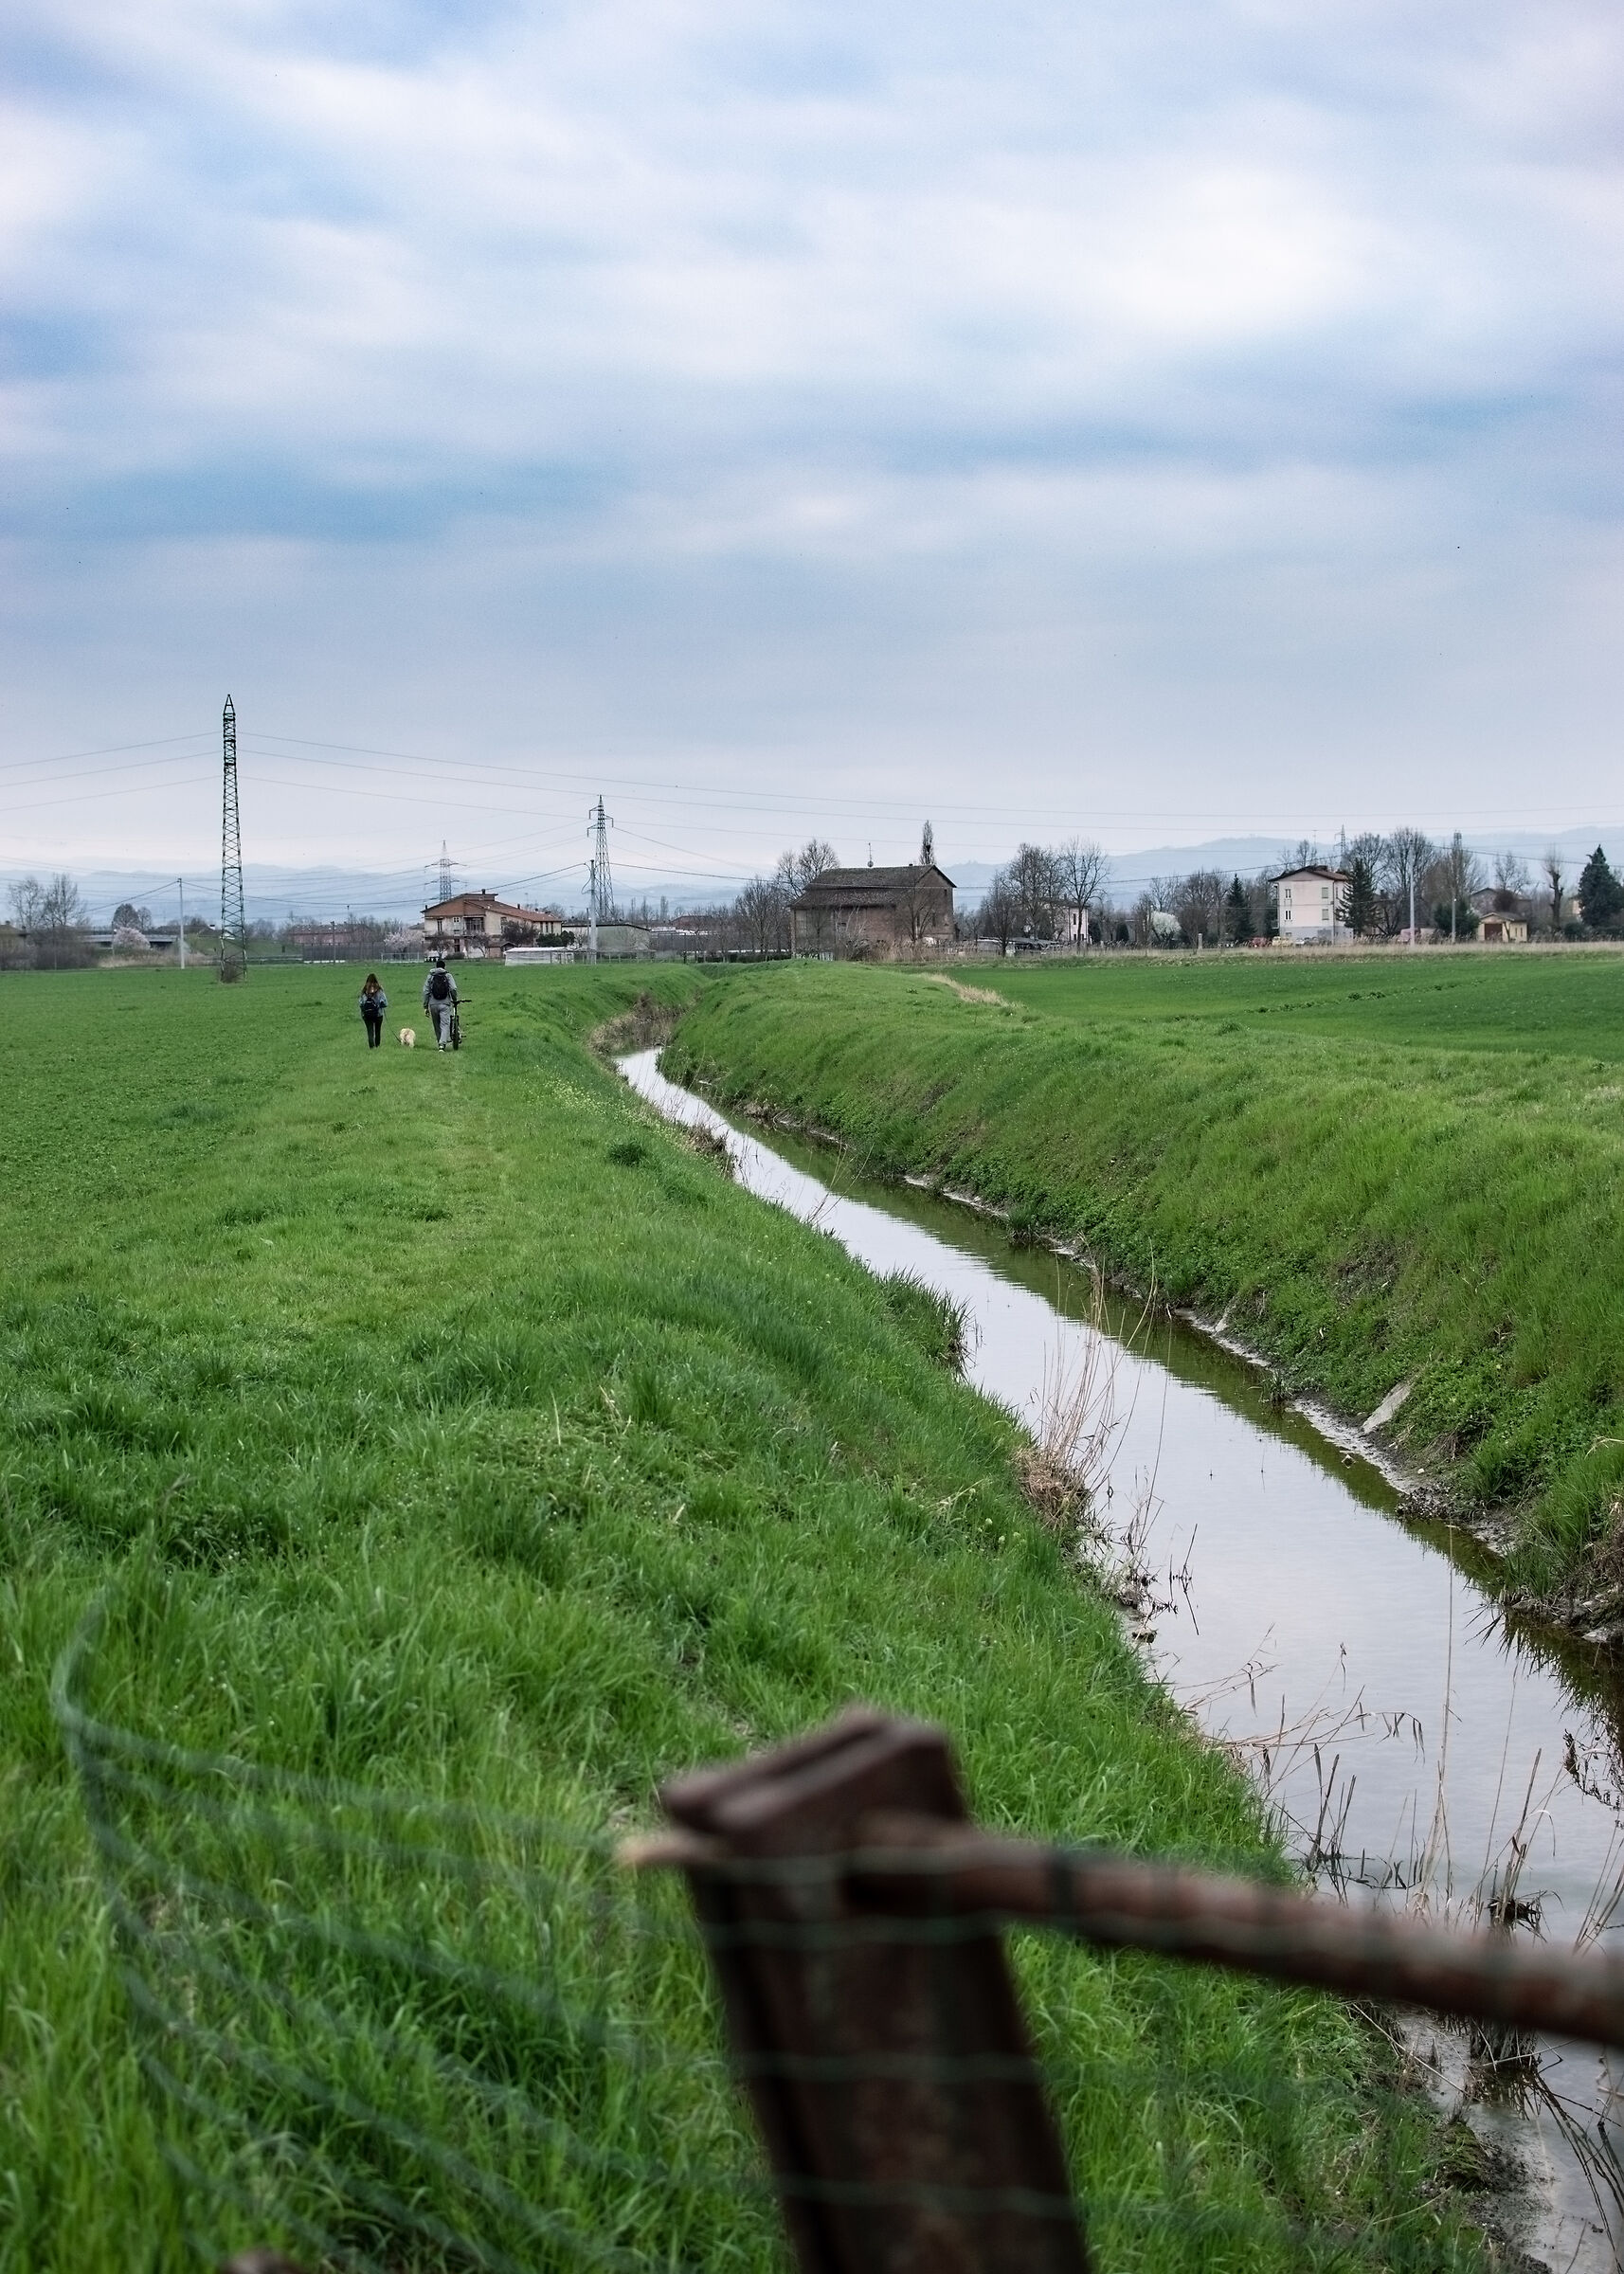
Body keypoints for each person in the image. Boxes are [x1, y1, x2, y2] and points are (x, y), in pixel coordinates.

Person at [422, 955, 459, 1050]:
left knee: (436, 1024)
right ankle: (442, 1044)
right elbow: (453, 988)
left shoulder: (430, 976)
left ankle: (440, 1043)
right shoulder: (448, 975)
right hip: (445, 1003)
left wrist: (425, 1006)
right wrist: (454, 999)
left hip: (433, 1004)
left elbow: (426, 991)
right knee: (445, 1024)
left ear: (436, 966)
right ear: (444, 967)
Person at [358, 972, 388, 1048]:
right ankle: (377, 1046)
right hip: (378, 1014)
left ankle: (372, 1048)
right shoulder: (379, 990)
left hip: (367, 1015)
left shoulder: (364, 990)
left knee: (370, 1032)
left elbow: (361, 1003)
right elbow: (385, 1003)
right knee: (378, 1031)